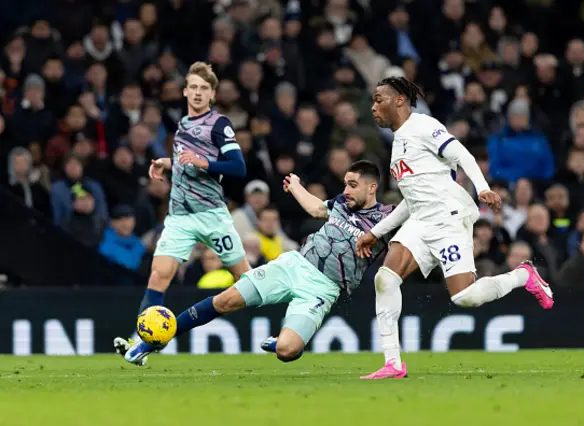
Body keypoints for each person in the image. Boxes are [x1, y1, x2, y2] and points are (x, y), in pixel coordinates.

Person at [356, 77, 554, 379]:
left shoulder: (423, 125)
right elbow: (411, 201)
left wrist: (483, 188)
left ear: (399, 100)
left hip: (448, 216)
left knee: (465, 297)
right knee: (385, 279)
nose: (373, 107)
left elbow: (462, 154)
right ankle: (393, 363)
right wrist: (376, 232)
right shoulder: (398, 145)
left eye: (378, 99)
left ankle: (522, 276)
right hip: (421, 219)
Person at [122, 161, 395, 365]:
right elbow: (315, 208)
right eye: (346, 183)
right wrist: (297, 187)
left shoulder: (388, 220)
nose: (346, 190)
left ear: (372, 187)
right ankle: (149, 344)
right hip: (293, 266)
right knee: (225, 300)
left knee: (287, 351)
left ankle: (283, 341)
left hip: (323, 290)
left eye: (353, 185)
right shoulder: (341, 204)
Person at [114, 62, 251, 357]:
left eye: (205, 89)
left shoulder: (219, 124)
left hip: (212, 214)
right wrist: (169, 163)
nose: (199, 93)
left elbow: (238, 167)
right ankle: (140, 343)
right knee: (158, 275)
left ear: (212, 94)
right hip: (180, 216)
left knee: (248, 282)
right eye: (194, 88)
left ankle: (288, 320)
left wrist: (204, 164)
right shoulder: (183, 124)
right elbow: (189, 164)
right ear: (185, 91)